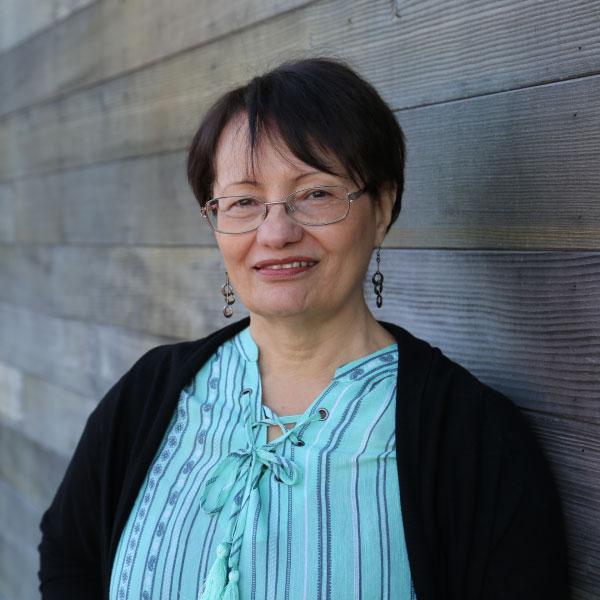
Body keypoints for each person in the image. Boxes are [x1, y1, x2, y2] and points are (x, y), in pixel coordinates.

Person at [38, 57, 569, 600]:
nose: (276, 232)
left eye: (315, 193)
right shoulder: (149, 394)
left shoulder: (474, 439)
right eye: (243, 201)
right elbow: (68, 556)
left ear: (382, 207)